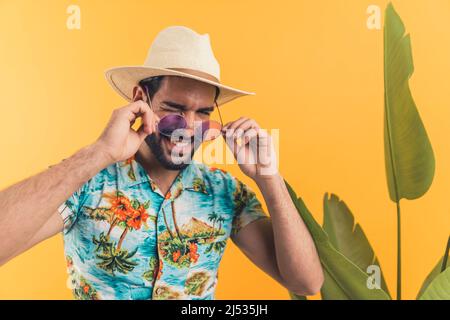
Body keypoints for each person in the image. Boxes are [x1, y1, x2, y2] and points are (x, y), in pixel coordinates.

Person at [0, 26, 323, 300]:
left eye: (204, 113)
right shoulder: (88, 180)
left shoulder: (226, 191)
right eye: (174, 107)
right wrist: (100, 152)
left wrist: (269, 177)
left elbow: (305, 283)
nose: (188, 124)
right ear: (141, 99)